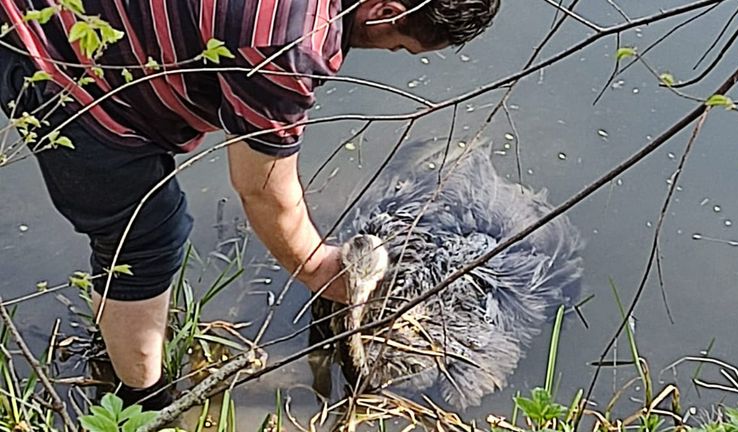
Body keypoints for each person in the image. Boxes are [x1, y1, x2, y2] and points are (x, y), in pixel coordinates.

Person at [0, 0, 498, 410]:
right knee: (147, 233)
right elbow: (262, 190)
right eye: (399, 44)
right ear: (386, 12)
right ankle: (142, 404)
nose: (386, 49)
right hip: (44, 44)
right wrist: (322, 269)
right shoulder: (290, 40)